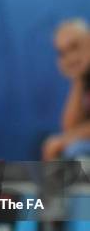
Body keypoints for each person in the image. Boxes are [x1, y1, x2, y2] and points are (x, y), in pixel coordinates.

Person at [42, 19, 90, 160]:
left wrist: (64, 140)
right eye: (62, 53)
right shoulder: (85, 77)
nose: (70, 57)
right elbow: (69, 127)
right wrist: (77, 79)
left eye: (74, 47)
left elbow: (70, 134)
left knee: (75, 151)